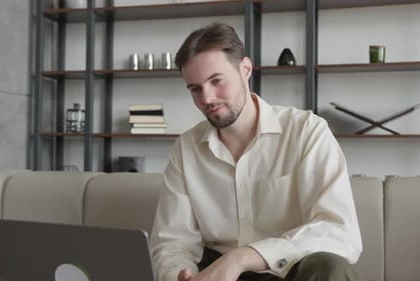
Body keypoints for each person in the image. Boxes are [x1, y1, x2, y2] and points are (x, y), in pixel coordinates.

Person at [149, 22, 362, 281]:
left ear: (245, 69)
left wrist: (242, 257)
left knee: (331, 266)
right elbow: (173, 243)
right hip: (216, 273)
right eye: (195, 89)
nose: (207, 98)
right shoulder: (186, 148)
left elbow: (338, 231)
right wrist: (179, 275)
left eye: (216, 81)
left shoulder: (307, 131)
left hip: (290, 270)